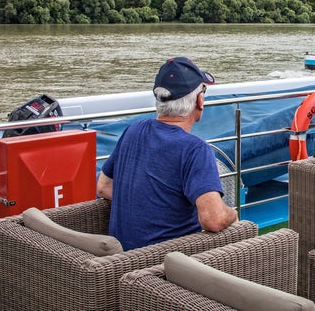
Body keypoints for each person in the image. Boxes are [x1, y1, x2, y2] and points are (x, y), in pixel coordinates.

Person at [96, 57, 238, 250]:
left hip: (122, 260)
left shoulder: (133, 130)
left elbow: (103, 187)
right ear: (200, 100)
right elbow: (213, 219)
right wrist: (232, 213)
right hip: (170, 266)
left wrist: (152, 205)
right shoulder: (195, 149)